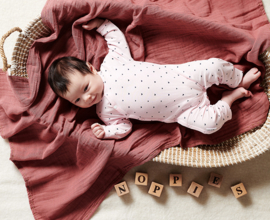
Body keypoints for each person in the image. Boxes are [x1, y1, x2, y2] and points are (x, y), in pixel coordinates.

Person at [48, 18, 261, 140]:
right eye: (77, 100)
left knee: (214, 65)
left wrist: (101, 24)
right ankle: (229, 98)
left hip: (185, 77)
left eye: (85, 87)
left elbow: (115, 39)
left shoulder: (112, 64)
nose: (87, 98)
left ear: (92, 69)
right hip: (182, 111)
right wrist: (106, 132)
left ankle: (237, 81)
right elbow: (124, 128)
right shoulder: (105, 112)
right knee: (209, 125)